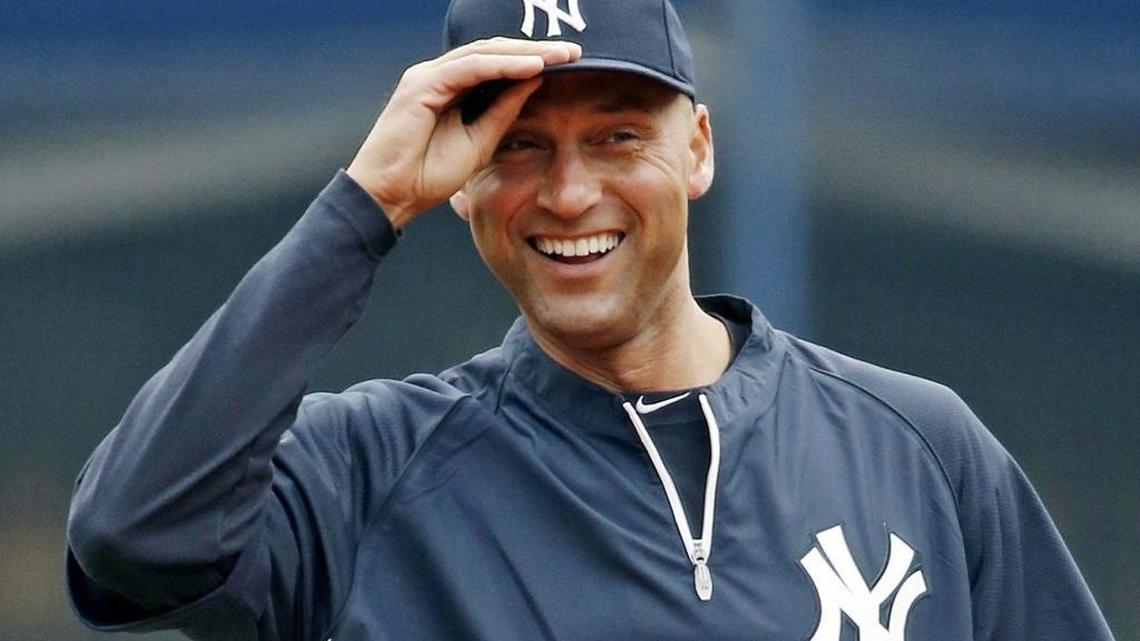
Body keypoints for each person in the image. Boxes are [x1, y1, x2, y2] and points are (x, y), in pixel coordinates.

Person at [66, 1, 1116, 640]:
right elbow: (133, 534)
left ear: (697, 147)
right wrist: (364, 205)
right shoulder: (372, 472)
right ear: (460, 181)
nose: (570, 194)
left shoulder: (920, 450)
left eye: (617, 135)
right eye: (519, 145)